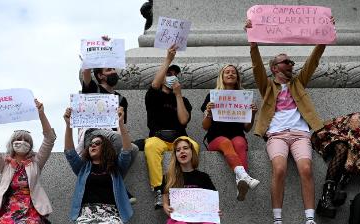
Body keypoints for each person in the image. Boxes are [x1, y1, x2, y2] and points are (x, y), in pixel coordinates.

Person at [245, 17, 335, 224]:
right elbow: (257, 67)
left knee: (306, 168)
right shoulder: (267, 85)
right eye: (286, 62)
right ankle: (278, 222)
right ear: (275, 68)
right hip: (276, 135)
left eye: (292, 62)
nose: (291, 65)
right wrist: (253, 45)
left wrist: (323, 36)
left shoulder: (298, 82)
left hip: (301, 134)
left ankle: (310, 221)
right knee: (279, 168)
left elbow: (312, 62)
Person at [55, 106, 133, 224]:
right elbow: (70, 153)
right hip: (86, 215)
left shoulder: (116, 168)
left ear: (106, 148)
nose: (92, 145)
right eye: (91, 143)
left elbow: (127, 151)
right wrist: (68, 125)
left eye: (97, 143)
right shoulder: (83, 168)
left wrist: (121, 123)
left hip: (111, 215)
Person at [80, 35, 139, 203]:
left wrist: (124, 138)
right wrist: (100, 48)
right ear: (100, 76)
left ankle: (114, 183)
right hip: (93, 135)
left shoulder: (122, 99)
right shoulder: (93, 89)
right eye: (108, 70)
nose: (113, 72)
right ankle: (119, 187)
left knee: (133, 149)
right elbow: (86, 72)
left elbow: (121, 129)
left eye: (113, 69)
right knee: (118, 141)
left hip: (113, 137)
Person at [145, 43, 199, 209]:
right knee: (151, 146)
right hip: (159, 137)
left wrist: (178, 96)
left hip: (178, 137)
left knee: (193, 145)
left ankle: (188, 183)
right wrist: (168, 59)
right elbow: (155, 85)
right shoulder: (153, 95)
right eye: (169, 74)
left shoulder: (183, 100)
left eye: (175, 74)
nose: (172, 76)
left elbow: (183, 120)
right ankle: (159, 189)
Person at [201, 64, 260, 201]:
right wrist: (209, 113)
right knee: (227, 143)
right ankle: (244, 176)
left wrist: (252, 114)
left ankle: (241, 183)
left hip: (237, 135)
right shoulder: (212, 96)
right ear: (222, 76)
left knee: (239, 143)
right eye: (227, 72)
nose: (230, 74)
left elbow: (247, 128)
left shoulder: (244, 97)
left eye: (233, 72)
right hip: (216, 138)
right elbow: (205, 126)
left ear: (237, 77)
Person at [162, 137, 221, 224]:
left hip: (199, 220)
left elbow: (212, 201)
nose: (182, 152)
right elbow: (165, 203)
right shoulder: (169, 177)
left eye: (185, 148)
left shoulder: (203, 177)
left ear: (192, 152)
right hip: (178, 221)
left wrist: (216, 211)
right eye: (178, 150)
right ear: (176, 155)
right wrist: (166, 208)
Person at [312, 112, 360, 218]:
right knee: (343, 150)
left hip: (350, 136)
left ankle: (336, 191)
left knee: (345, 150)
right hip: (336, 130)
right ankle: (325, 199)